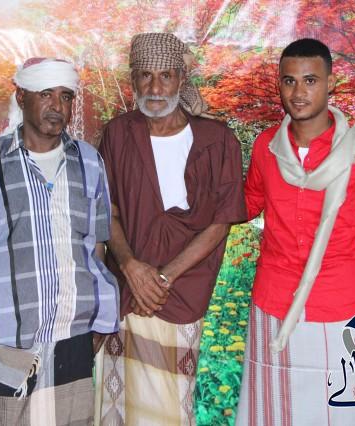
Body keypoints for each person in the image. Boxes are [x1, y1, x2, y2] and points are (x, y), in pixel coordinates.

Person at [235, 38, 355, 425]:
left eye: (310, 80)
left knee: (333, 414)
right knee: (270, 413)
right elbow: (246, 204)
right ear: (279, 84)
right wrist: (210, 158)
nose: (298, 92)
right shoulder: (267, 147)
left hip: (335, 309)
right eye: (289, 81)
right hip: (272, 304)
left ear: (330, 83)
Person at [0, 57, 119, 426]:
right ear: (21, 97)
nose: (57, 106)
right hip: (8, 337)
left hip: (74, 333)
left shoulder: (89, 162)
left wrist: (100, 317)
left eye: (66, 96)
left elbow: (97, 245)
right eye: (45, 94)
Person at [98, 32, 247, 425]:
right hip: (128, 294)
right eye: (145, 76)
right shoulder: (117, 134)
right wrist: (131, 266)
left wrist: (163, 279)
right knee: (119, 405)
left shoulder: (217, 141)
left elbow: (220, 223)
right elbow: (107, 211)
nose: (155, 88)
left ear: (181, 78)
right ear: (133, 80)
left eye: (165, 75)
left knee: (170, 407)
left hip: (181, 294)